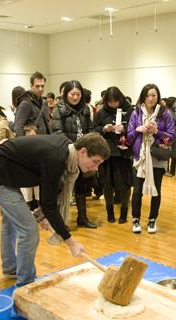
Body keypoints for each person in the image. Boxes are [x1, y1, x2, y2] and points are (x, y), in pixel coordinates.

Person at [0, 132, 109, 286]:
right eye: (95, 161)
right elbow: (49, 205)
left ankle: (10, 268)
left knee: (12, 223)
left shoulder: (66, 151)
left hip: (5, 171)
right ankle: (26, 284)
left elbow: (50, 189)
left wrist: (45, 215)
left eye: (99, 164)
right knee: (29, 230)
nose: (95, 167)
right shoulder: (56, 158)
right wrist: (71, 242)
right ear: (82, 152)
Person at [127, 83, 175, 233]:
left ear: (158, 97)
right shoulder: (136, 113)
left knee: (156, 191)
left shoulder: (165, 113)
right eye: (147, 95)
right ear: (143, 96)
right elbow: (128, 137)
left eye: (153, 95)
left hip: (157, 157)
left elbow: (172, 137)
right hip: (140, 158)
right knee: (137, 192)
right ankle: (136, 220)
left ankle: (152, 220)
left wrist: (157, 132)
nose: (150, 98)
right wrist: (137, 130)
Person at [52, 80, 97, 228]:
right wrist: (73, 149)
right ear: (66, 94)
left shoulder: (86, 109)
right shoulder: (59, 109)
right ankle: (61, 221)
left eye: (78, 94)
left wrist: (88, 147)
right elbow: (58, 132)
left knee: (82, 187)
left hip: (83, 155)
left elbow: (90, 129)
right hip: (66, 153)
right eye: (72, 94)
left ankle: (82, 217)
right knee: (64, 188)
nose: (75, 97)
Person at [92, 86, 134, 224]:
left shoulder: (130, 111)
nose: (113, 104)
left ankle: (124, 211)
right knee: (107, 184)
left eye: (115, 101)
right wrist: (104, 129)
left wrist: (125, 129)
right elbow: (93, 129)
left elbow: (136, 129)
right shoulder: (102, 113)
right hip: (106, 154)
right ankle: (109, 210)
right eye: (110, 102)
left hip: (124, 154)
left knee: (124, 184)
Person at [14, 71, 51, 136]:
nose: (40, 89)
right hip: (31, 142)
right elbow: (18, 128)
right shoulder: (25, 103)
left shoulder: (44, 103)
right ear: (31, 86)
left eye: (42, 86)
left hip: (44, 141)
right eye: (37, 86)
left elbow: (46, 125)